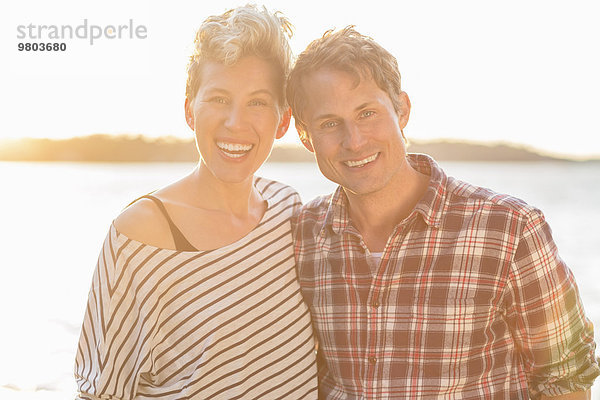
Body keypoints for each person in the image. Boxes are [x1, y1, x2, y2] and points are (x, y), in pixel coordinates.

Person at [287, 26, 599, 399]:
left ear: (402, 109)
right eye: (329, 123)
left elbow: (565, 378)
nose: (354, 141)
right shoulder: (303, 234)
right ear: (306, 136)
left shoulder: (510, 230)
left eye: (367, 113)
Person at [74, 5, 317, 399]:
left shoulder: (288, 210)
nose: (235, 122)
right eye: (219, 99)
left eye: (257, 102)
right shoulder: (139, 236)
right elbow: (100, 391)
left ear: (283, 120)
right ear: (190, 110)